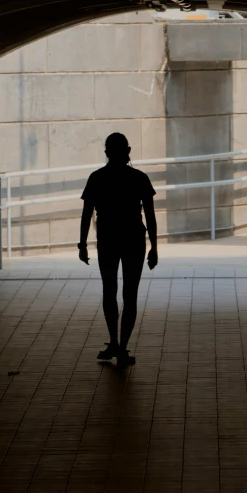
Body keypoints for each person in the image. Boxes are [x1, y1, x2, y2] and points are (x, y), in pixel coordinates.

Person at [78, 132, 158, 367]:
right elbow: (151, 216)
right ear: (128, 151)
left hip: (108, 239)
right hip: (134, 238)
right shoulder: (140, 178)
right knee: (130, 294)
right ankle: (122, 346)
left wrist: (82, 245)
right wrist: (154, 247)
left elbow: (86, 215)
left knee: (109, 290)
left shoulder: (97, 178)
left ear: (106, 153)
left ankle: (113, 340)